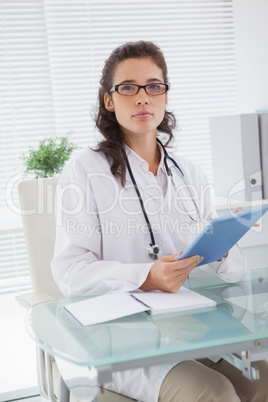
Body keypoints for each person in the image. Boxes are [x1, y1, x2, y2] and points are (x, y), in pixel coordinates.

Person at [51, 41, 268, 402]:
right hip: (126, 340)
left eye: (154, 86)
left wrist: (222, 246)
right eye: (128, 88)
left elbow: (230, 273)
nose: (142, 98)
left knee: (265, 381)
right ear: (109, 100)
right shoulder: (85, 169)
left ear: (165, 96)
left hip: (196, 327)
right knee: (214, 393)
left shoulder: (189, 171)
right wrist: (147, 277)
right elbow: (71, 273)